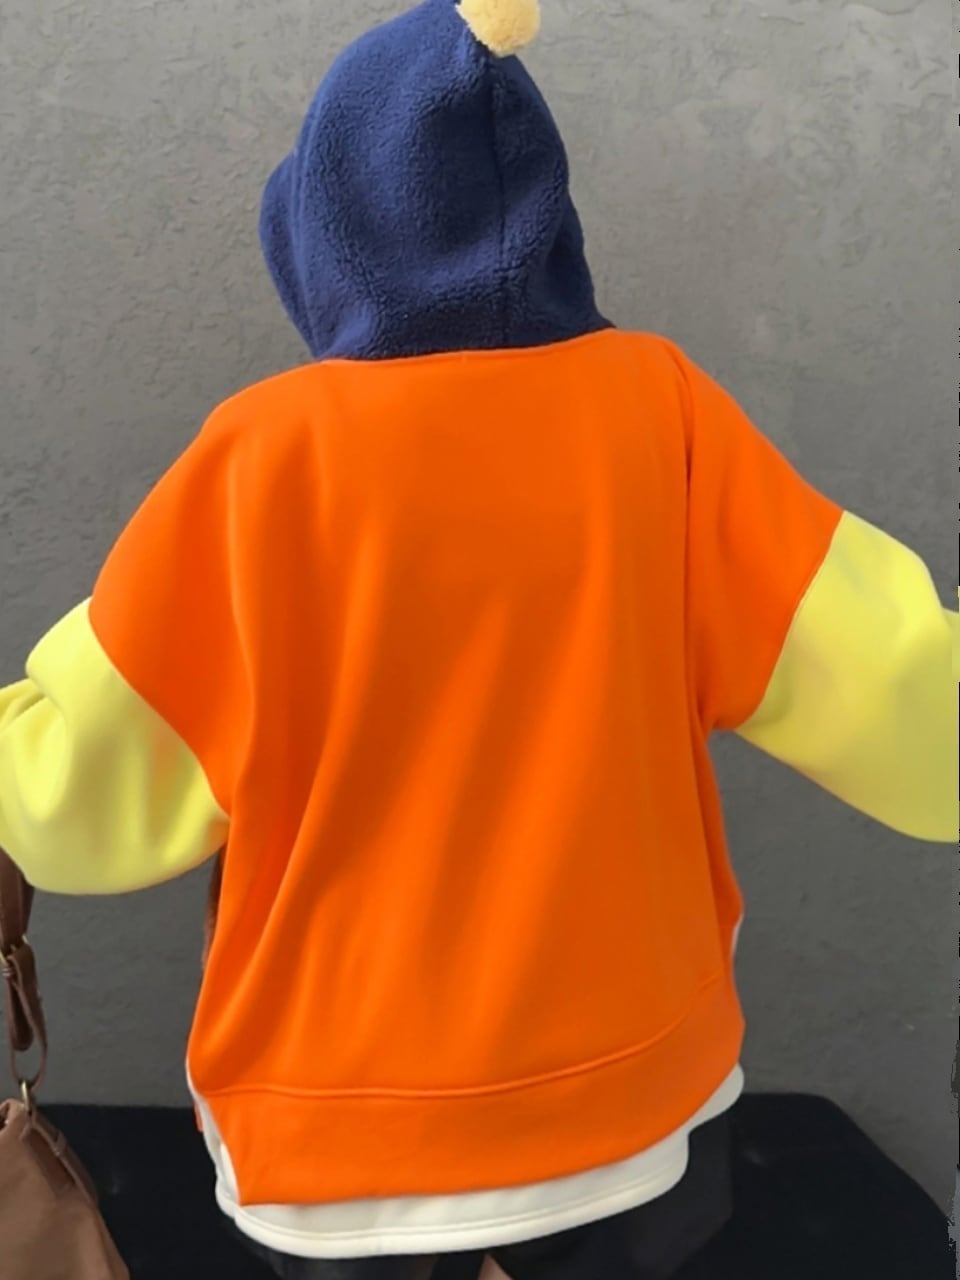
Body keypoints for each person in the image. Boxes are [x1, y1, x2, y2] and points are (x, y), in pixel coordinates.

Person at [0, 1, 955, 1277]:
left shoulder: (261, 461)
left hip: (339, 1124)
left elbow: (81, 797)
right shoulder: (664, 417)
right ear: (553, 228)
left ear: (319, 241)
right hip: (631, 1098)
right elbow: (907, 699)